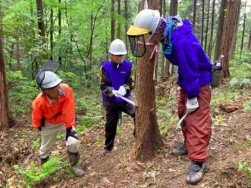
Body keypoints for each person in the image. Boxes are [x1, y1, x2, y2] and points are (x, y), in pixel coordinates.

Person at [127, 9, 212, 185]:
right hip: (187, 80)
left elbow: (191, 67)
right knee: (182, 112)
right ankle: (189, 145)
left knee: (196, 119)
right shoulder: (169, 34)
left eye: (148, 34)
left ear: (157, 30)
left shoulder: (181, 41)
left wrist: (193, 96)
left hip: (197, 81)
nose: (147, 39)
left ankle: (198, 161)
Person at [32, 70, 84, 177]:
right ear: (45, 90)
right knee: (45, 148)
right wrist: (39, 126)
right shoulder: (39, 102)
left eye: (57, 85)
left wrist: (69, 127)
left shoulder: (66, 90)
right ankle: (46, 169)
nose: (57, 89)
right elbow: (36, 117)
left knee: (73, 141)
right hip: (48, 123)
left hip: (64, 120)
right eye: (52, 87)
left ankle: (74, 165)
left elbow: (69, 108)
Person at [100, 39, 135, 156]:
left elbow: (131, 83)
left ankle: (138, 136)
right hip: (111, 101)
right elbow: (103, 86)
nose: (119, 57)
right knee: (110, 125)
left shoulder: (128, 65)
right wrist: (112, 91)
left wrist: (125, 88)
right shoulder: (105, 67)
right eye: (117, 55)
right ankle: (108, 148)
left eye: (121, 55)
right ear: (112, 54)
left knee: (137, 113)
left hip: (125, 98)